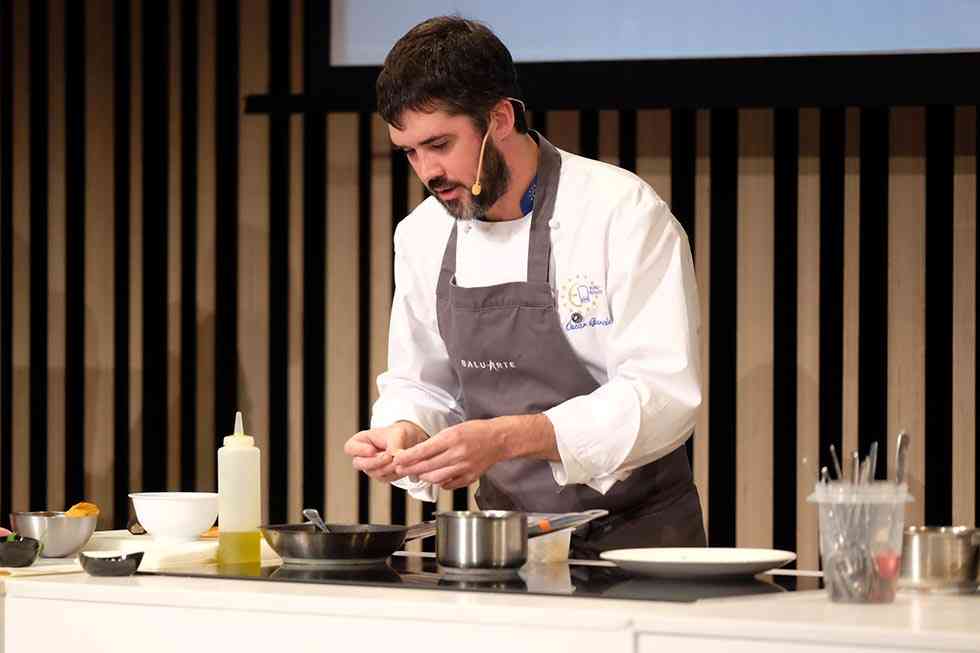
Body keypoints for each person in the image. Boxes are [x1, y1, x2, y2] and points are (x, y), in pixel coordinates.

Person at [343, 16, 706, 555]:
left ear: (500, 118)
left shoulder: (619, 213)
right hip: (505, 544)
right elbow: (422, 384)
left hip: (640, 540)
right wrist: (405, 433)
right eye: (411, 152)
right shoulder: (421, 235)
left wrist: (509, 437)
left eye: (441, 144)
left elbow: (664, 395)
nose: (429, 171)